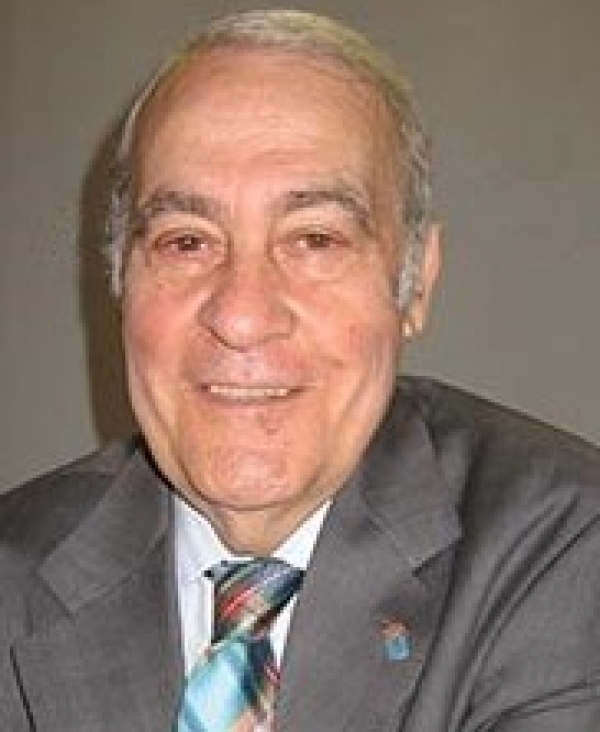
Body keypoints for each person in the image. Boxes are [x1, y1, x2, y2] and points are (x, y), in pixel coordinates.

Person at [1, 9, 600, 731]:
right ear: (120, 281)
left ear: (415, 283)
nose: (241, 315)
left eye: (314, 239)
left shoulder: (568, 550)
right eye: (187, 241)